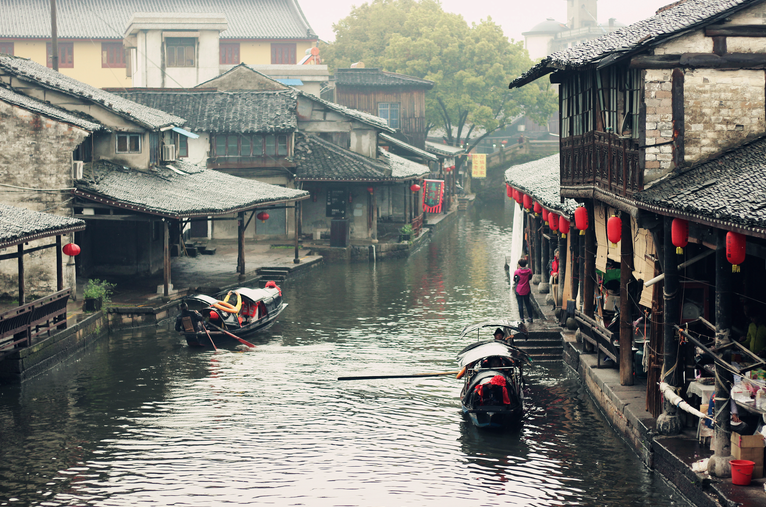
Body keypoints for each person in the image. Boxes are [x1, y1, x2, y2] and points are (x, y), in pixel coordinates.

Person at [513, 258, 534, 323]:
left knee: (520, 305)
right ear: (525, 264)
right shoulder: (529, 271)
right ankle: (530, 318)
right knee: (528, 304)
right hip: (526, 289)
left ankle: (522, 319)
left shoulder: (517, 271)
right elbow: (530, 278)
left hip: (519, 290)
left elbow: (515, 279)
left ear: (519, 265)